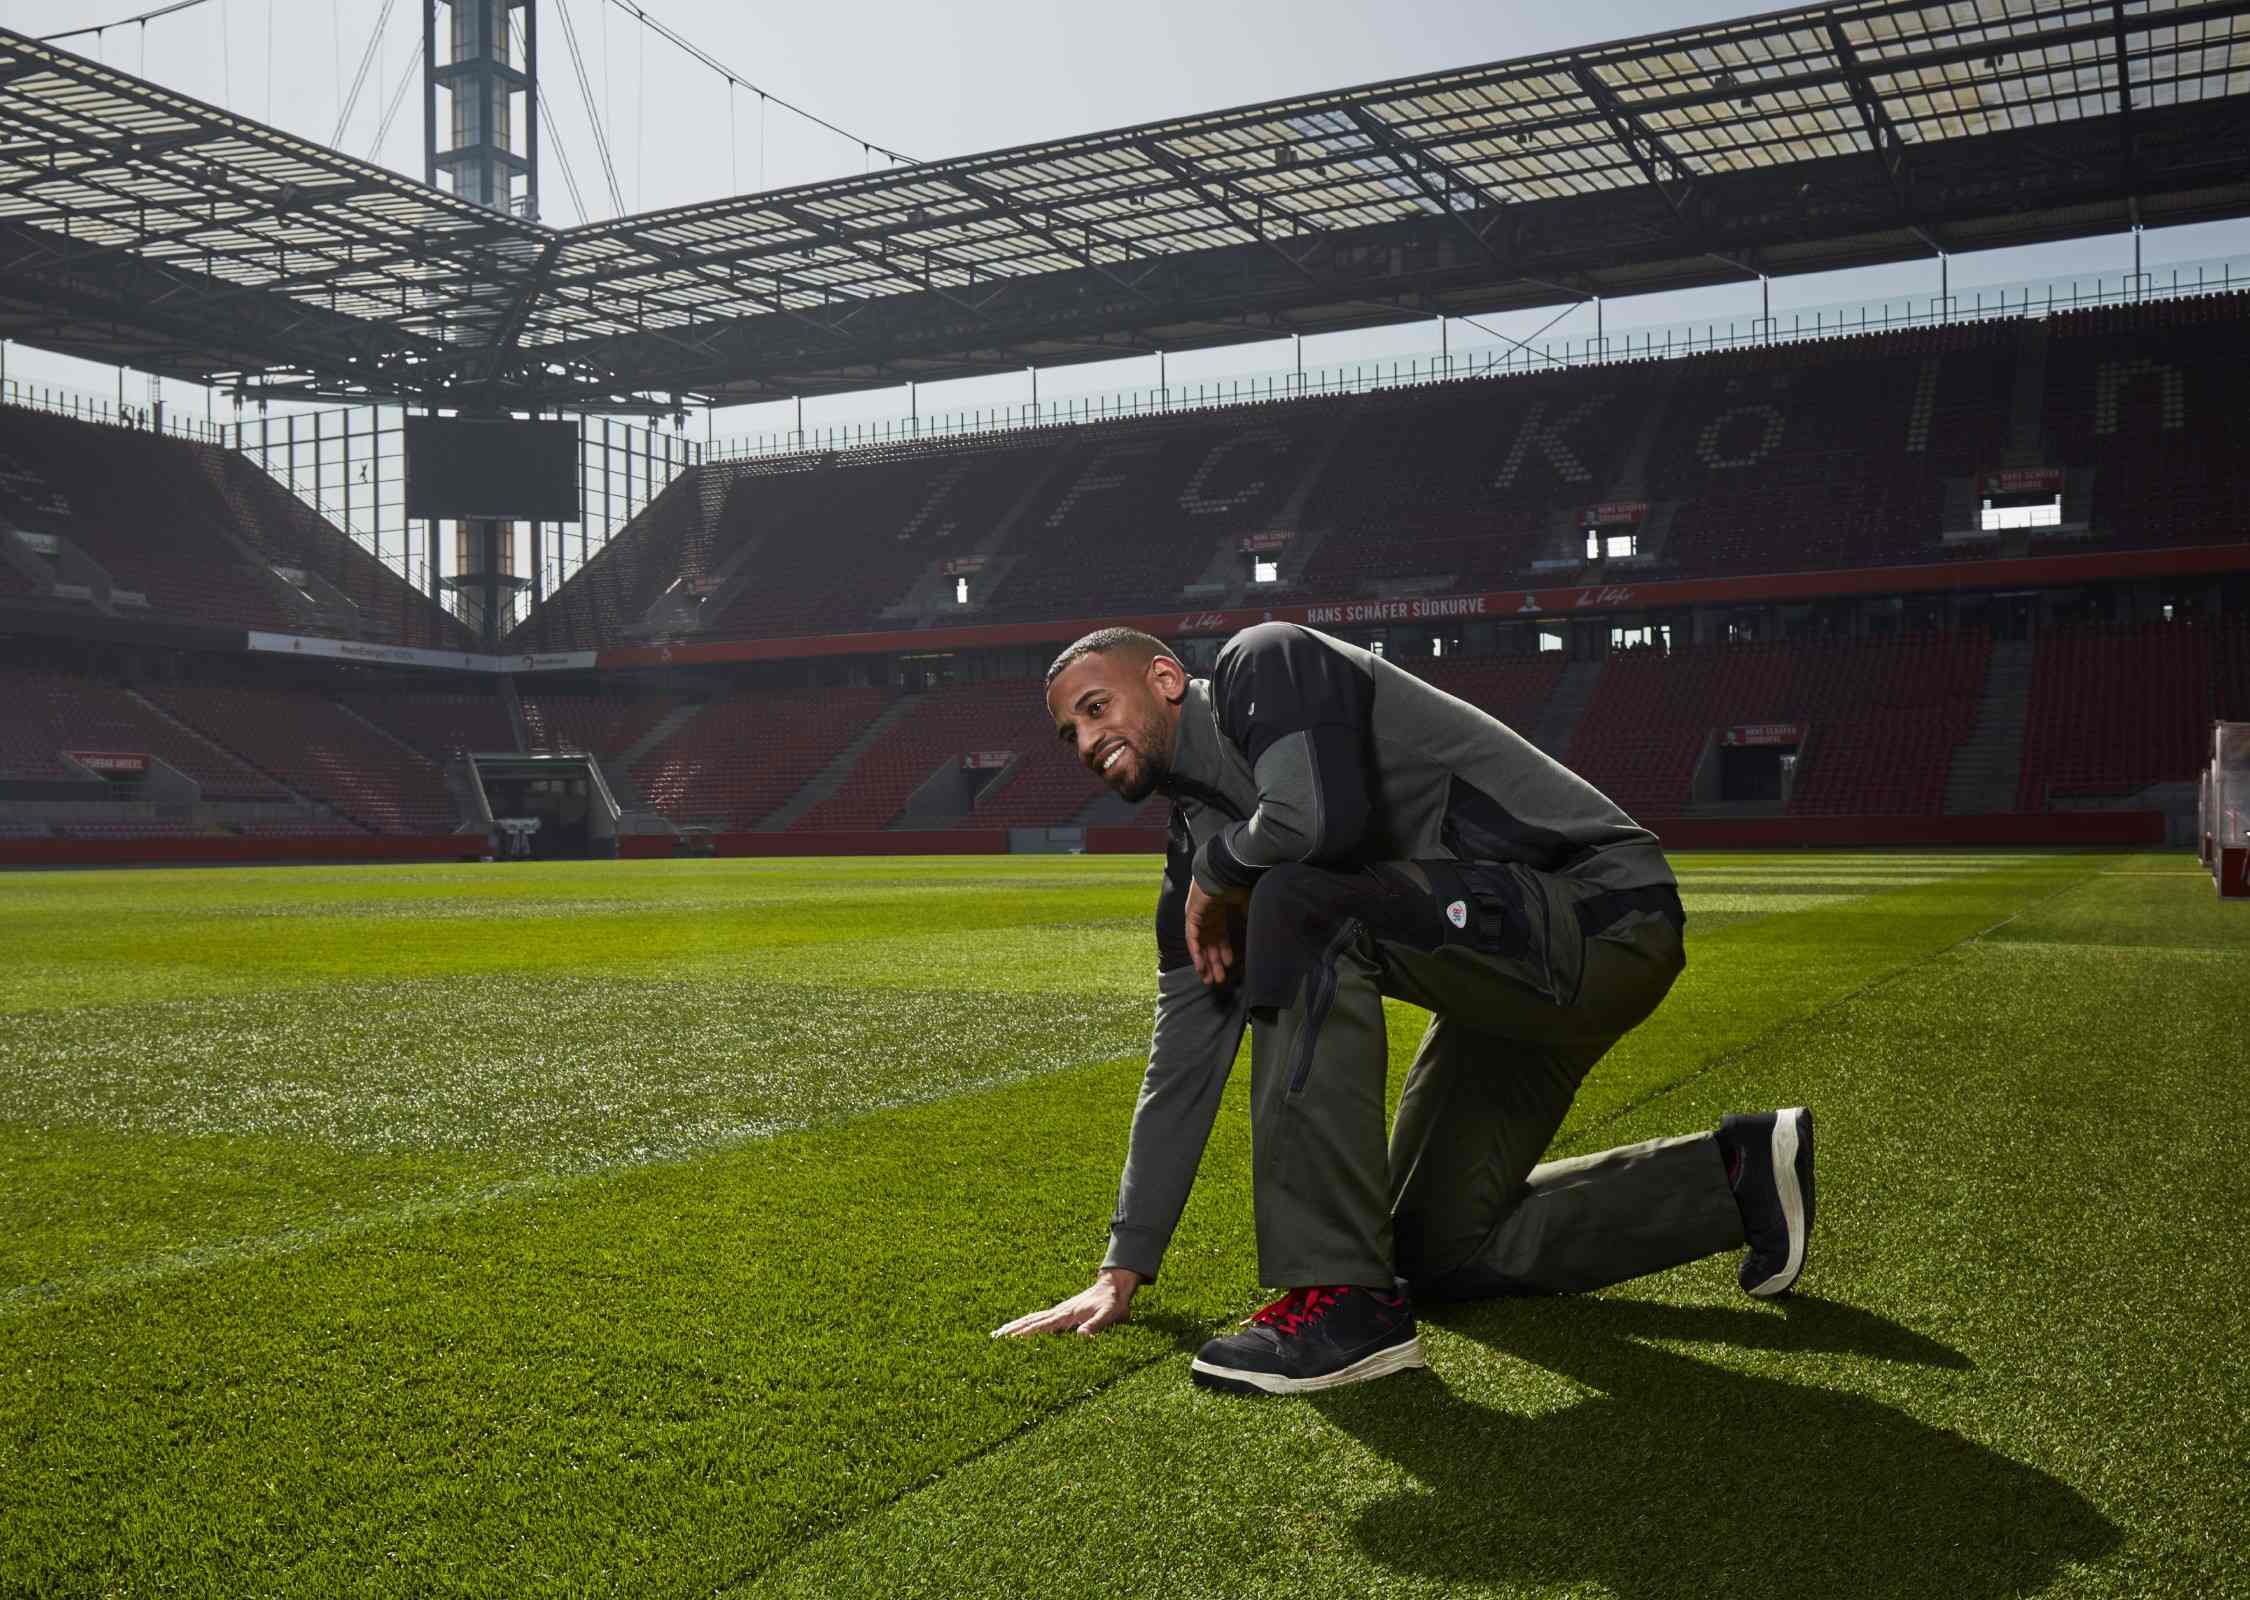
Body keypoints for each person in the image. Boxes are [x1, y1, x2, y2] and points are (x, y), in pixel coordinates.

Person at [995, 623, 1816, 1396]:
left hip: (1602, 914)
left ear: (1167, 680)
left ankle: (1342, 1303)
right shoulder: (1197, 854)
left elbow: (1313, 817)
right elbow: (1181, 1059)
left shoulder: (1266, 662)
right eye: (1068, 732)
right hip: (1499, 983)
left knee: (1295, 902)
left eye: (1096, 708)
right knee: (1432, 1251)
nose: (1086, 740)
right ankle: (1736, 1176)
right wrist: (1123, 1265)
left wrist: (1219, 870)